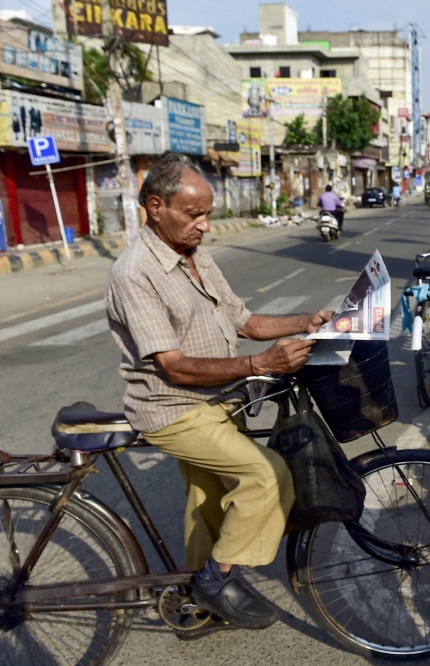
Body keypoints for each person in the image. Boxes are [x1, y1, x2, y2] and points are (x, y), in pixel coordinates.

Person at [105, 154, 333, 636]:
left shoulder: (195, 256)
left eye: (207, 214)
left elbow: (243, 321)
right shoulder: (135, 272)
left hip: (218, 401)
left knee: (208, 504)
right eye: (194, 215)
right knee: (265, 477)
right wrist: (260, 364)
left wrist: (305, 320)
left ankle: (197, 603)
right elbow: (174, 366)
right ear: (155, 207)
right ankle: (215, 580)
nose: (205, 225)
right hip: (174, 408)